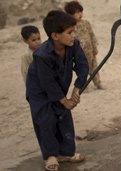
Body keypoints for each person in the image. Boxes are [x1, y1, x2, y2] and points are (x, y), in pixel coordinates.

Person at [26, 10, 89, 171]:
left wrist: (76, 89)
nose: (73, 35)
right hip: (39, 90)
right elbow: (47, 83)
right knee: (46, 119)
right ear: (55, 36)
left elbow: (83, 66)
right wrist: (65, 100)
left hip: (59, 85)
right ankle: (51, 156)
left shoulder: (72, 44)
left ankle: (66, 153)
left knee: (63, 116)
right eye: (69, 32)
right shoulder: (42, 55)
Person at [64, 1, 104, 90]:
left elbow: (92, 35)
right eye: (77, 12)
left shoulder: (86, 23)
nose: (80, 14)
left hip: (90, 51)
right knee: (82, 70)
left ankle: (98, 83)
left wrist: (95, 48)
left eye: (80, 11)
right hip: (79, 54)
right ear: (70, 15)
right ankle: (84, 85)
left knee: (94, 68)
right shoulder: (69, 27)